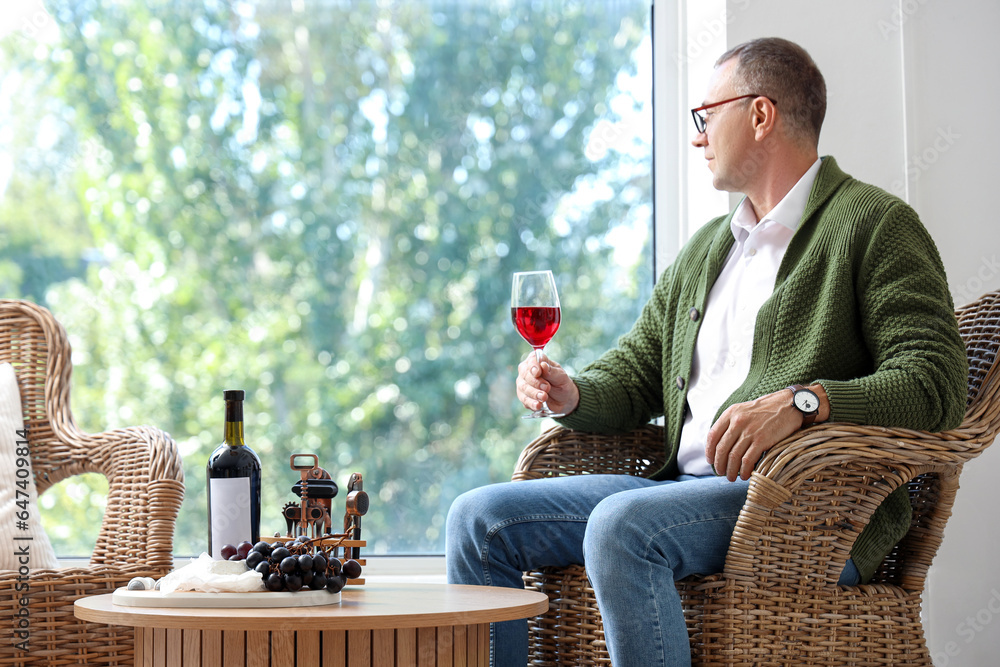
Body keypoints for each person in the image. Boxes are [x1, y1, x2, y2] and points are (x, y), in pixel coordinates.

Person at [445, 37, 968, 667]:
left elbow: (936, 385)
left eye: (705, 116)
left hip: (800, 510)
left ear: (759, 114)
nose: (698, 137)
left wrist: (804, 402)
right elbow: (638, 370)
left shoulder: (874, 223)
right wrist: (572, 392)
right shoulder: (707, 249)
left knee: (621, 528)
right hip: (675, 492)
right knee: (478, 519)